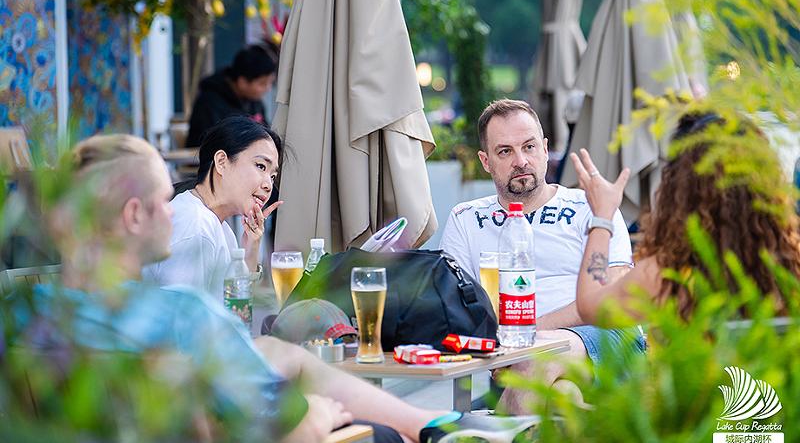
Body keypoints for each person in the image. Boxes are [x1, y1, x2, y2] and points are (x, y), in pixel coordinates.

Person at [5, 133, 544, 442]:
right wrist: (319, 415)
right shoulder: (181, 314)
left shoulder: (26, 313)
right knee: (365, 426)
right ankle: (434, 430)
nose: (174, 209)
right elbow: (282, 428)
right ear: (132, 216)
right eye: (164, 199)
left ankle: (434, 424)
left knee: (275, 350)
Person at [440, 99, 643, 413]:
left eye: (529, 147)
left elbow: (612, 293)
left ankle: (492, 429)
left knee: (535, 362)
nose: (521, 161)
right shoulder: (466, 219)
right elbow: (454, 307)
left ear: (546, 149)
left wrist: (530, 333)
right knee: (562, 397)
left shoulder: (590, 205)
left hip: (605, 337)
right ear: (485, 161)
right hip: (516, 356)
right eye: (505, 151)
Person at [569, 113, 800, 323]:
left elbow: (590, 306)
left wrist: (603, 214)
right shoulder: (790, 264)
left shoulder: (666, 276)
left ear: (680, 190)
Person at [143, 116, 281, 299]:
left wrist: (251, 248)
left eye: (272, 176)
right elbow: (182, 313)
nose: (268, 185)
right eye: (261, 166)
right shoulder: (195, 224)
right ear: (222, 162)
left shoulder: (218, 225)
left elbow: (236, 305)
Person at [186, 43, 278, 148]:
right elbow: (211, 143)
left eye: (270, 83)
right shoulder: (209, 103)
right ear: (242, 82)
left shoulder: (254, 101)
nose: (268, 88)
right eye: (262, 83)